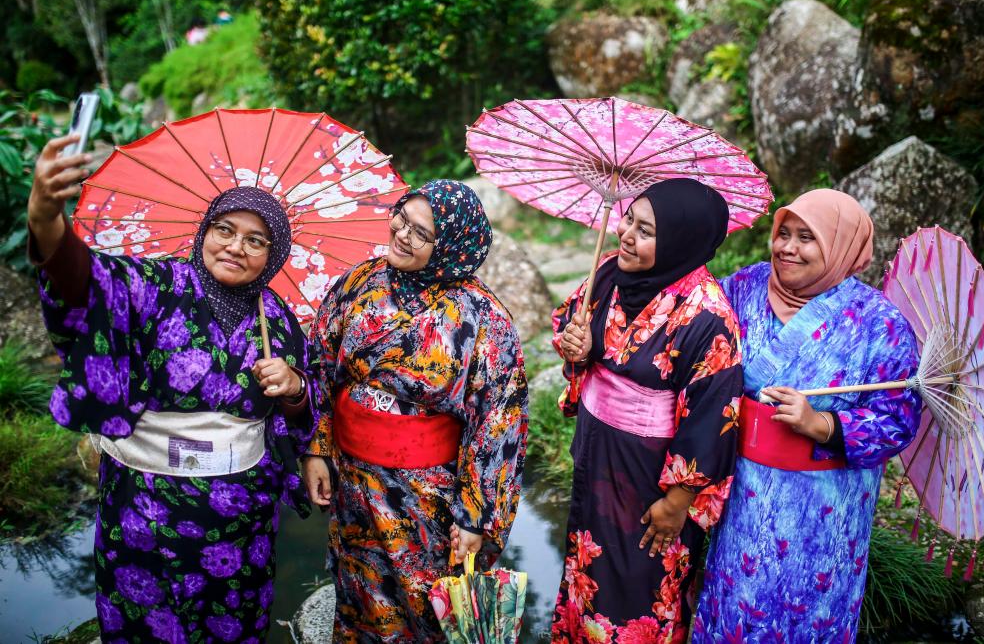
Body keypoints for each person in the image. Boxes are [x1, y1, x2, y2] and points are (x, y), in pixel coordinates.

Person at [27, 133, 318, 642]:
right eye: (224, 230)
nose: (235, 246)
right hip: (145, 510)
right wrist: (46, 220)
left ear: (273, 255)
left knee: (233, 627)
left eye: (256, 240)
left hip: (241, 522)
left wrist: (293, 387)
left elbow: (299, 412)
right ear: (203, 231)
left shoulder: (278, 318)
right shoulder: (154, 286)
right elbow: (85, 284)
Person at [302, 179, 529, 642]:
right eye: (401, 218)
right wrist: (316, 450)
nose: (402, 234)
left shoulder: (482, 317)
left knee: (427, 607)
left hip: (427, 495)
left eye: (421, 233)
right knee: (358, 594)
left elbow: (499, 423)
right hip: (352, 480)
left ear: (450, 245)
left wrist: (475, 517)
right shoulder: (359, 283)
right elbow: (321, 365)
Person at [692, 189, 922, 641]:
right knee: (735, 604)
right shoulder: (744, 287)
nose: (787, 248)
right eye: (783, 234)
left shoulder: (880, 324)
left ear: (841, 246)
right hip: (742, 493)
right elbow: (696, 347)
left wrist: (821, 424)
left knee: (807, 612)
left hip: (824, 509)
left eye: (806, 238)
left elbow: (898, 419)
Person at [549, 178, 744, 643]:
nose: (626, 234)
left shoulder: (707, 316)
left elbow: (713, 414)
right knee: (586, 566)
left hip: (650, 476)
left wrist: (677, 503)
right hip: (597, 453)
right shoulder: (611, 272)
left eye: (646, 230)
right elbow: (571, 322)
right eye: (628, 219)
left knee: (639, 584)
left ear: (682, 238)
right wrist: (576, 346)